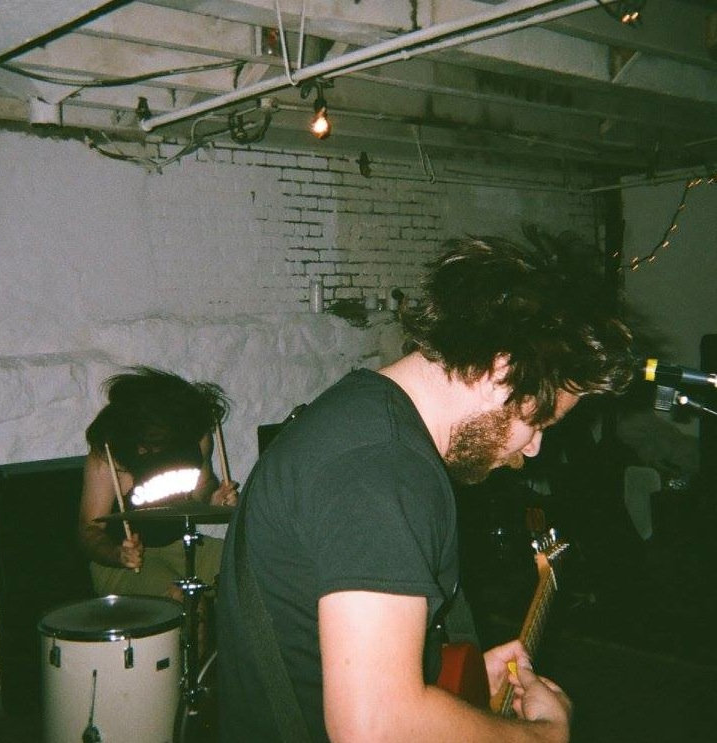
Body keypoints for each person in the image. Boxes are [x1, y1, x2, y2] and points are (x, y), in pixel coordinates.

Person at [215, 237, 634, 743]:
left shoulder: (363, 419)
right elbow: (375, 727)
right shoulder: (382, 469)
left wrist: (452, 675)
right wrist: (541, 737)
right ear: (501, 372)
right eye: (538, 420)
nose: (534, 447)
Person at [78, 366, 238, 603]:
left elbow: (203, 484)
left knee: (252, 566)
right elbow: (89, 531)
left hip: (181, 546)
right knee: (184, 598)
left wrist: (214, 498)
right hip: (123, 564)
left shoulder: (195, 437)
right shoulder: (110, 453)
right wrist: (118, 554)